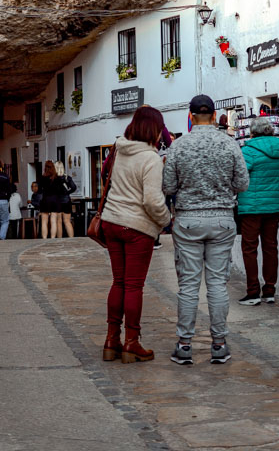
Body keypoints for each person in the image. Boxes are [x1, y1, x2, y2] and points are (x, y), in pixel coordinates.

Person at [162, 93, 249, 366]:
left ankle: (185, 345)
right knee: (217, 285)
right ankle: (219, 344)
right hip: (222, 219)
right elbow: (243, 183)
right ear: (213, 116)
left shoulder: (179, 146)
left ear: (190, 116)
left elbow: (168, 187)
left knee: (188, 285)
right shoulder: (229, 144)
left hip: (188, 220)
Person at [100, 106, 170, 364]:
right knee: (133, 286)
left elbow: (106, 177)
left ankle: (111, 340)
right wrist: (165, 220)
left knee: (118, 282)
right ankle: (131, 342)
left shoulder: (119, 151)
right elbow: (152, 201)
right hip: (137, 228)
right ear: (154, 130)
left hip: (111, 222)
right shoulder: (151, 159)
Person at [237, 115, 279, 305]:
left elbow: (241, 176)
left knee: (249, 248)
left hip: (251, 206)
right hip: (273, 206)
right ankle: (269, 290)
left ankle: (252, 292)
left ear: (253, 132)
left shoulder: (248, 150)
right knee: (270, 247)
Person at [39, 161, 65, 238]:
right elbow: (62, 191)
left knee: (44, 221)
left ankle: (44, 238)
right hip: (55, 200)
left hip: (45, 200)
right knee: (53, 221)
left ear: (45, 168)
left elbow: (39, 190)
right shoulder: (57, 178)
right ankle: (52, 238)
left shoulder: (42, 178)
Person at [54, 161, 76, 238]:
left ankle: (59, 240)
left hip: (57, 202)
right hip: (67, 201)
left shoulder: (54, 179)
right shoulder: (67, 177)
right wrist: (67, 193)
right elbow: (74, 187)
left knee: (59, 222)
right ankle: (71, 239)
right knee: (67, 221)